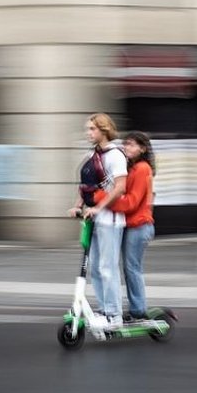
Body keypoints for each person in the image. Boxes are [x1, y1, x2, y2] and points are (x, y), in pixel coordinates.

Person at [67, 113, 127, 329]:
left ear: (104, 130)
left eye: (92, 129)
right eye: (87, 129)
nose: (88, 132)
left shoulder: (115, 155)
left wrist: (98, 207)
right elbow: (84, 187)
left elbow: (120, 187)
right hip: (93, 219)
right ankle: (104, 311)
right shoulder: (91, 155)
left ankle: (114, 315)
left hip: (110, 219)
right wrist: (78, 206)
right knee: (95, 268)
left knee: (107, 267)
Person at [94, 131, 156, 321]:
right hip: (130, 226)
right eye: (125, 144)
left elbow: (130, 202)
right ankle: (131, 308)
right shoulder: (132, 168)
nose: (126, 147)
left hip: (139, 226)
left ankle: (138, 310)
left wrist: (101, 198)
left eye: (131, 144)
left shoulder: (142, 168)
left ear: (142, 149)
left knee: (132, 268)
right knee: (124, 268)